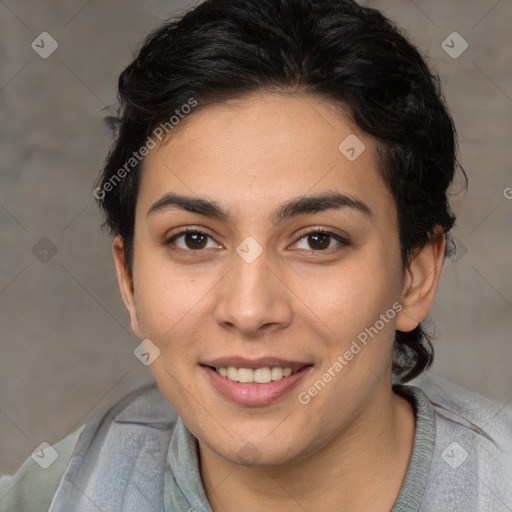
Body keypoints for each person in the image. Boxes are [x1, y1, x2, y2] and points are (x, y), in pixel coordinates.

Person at [1, 0, 511, 510]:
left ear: (415, 276)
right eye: (194, 239)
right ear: (129, 280)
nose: (249, 310)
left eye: (317, 240)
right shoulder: (51, 496)